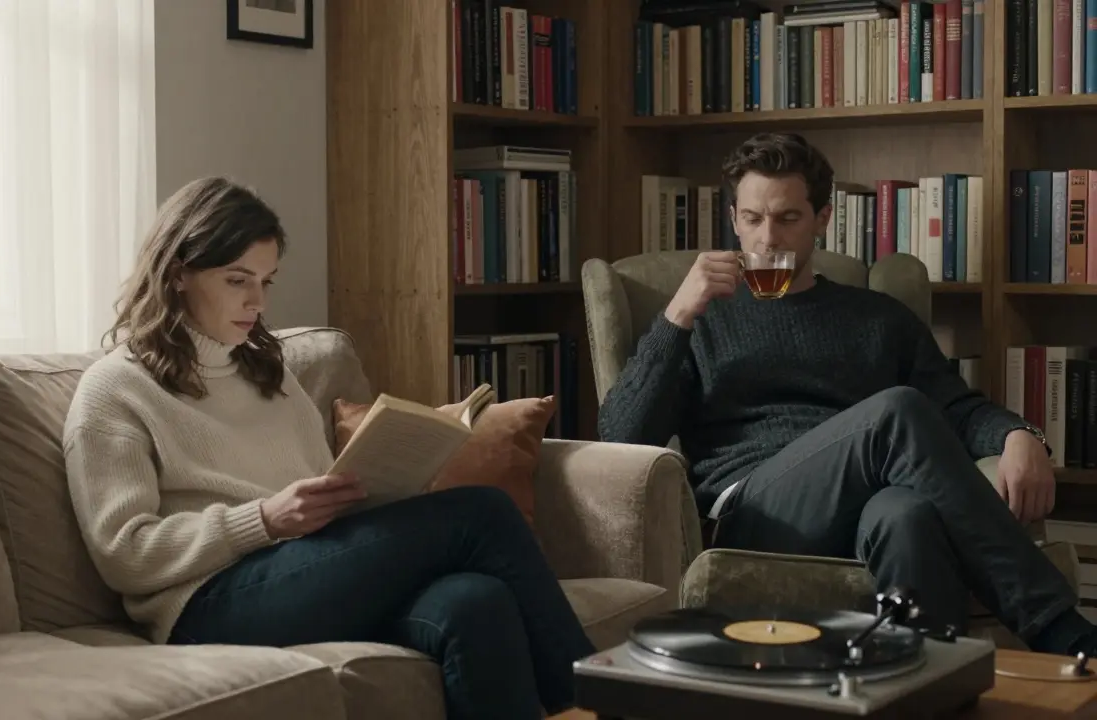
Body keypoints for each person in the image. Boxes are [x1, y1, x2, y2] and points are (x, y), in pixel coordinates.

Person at [62, 176, 595, 720]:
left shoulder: (270, 374)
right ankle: (607, 702)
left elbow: (321, 494)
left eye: (266, 281)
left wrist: (372, 492)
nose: (257, 301)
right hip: (206, 606)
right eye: (237, 280)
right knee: (481, 513)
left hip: (307, 576)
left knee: (476, 601)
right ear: (178, 274)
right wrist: (263, 519)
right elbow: (124, 553)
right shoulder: (116, 389)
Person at [598, 132, 1097, 655]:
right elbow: (622, 437)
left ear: (823, 218)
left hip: (865, 507)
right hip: (753, 514)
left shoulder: (879, 319)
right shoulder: (700, 318)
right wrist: (678, 316)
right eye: (752, 218)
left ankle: (928, 691)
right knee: (896, 412)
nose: (767, 238)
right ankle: (1060, 628)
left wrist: (1019, 433)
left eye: (788, 218)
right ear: (734, 218)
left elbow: (956, 409)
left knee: (907, 515)